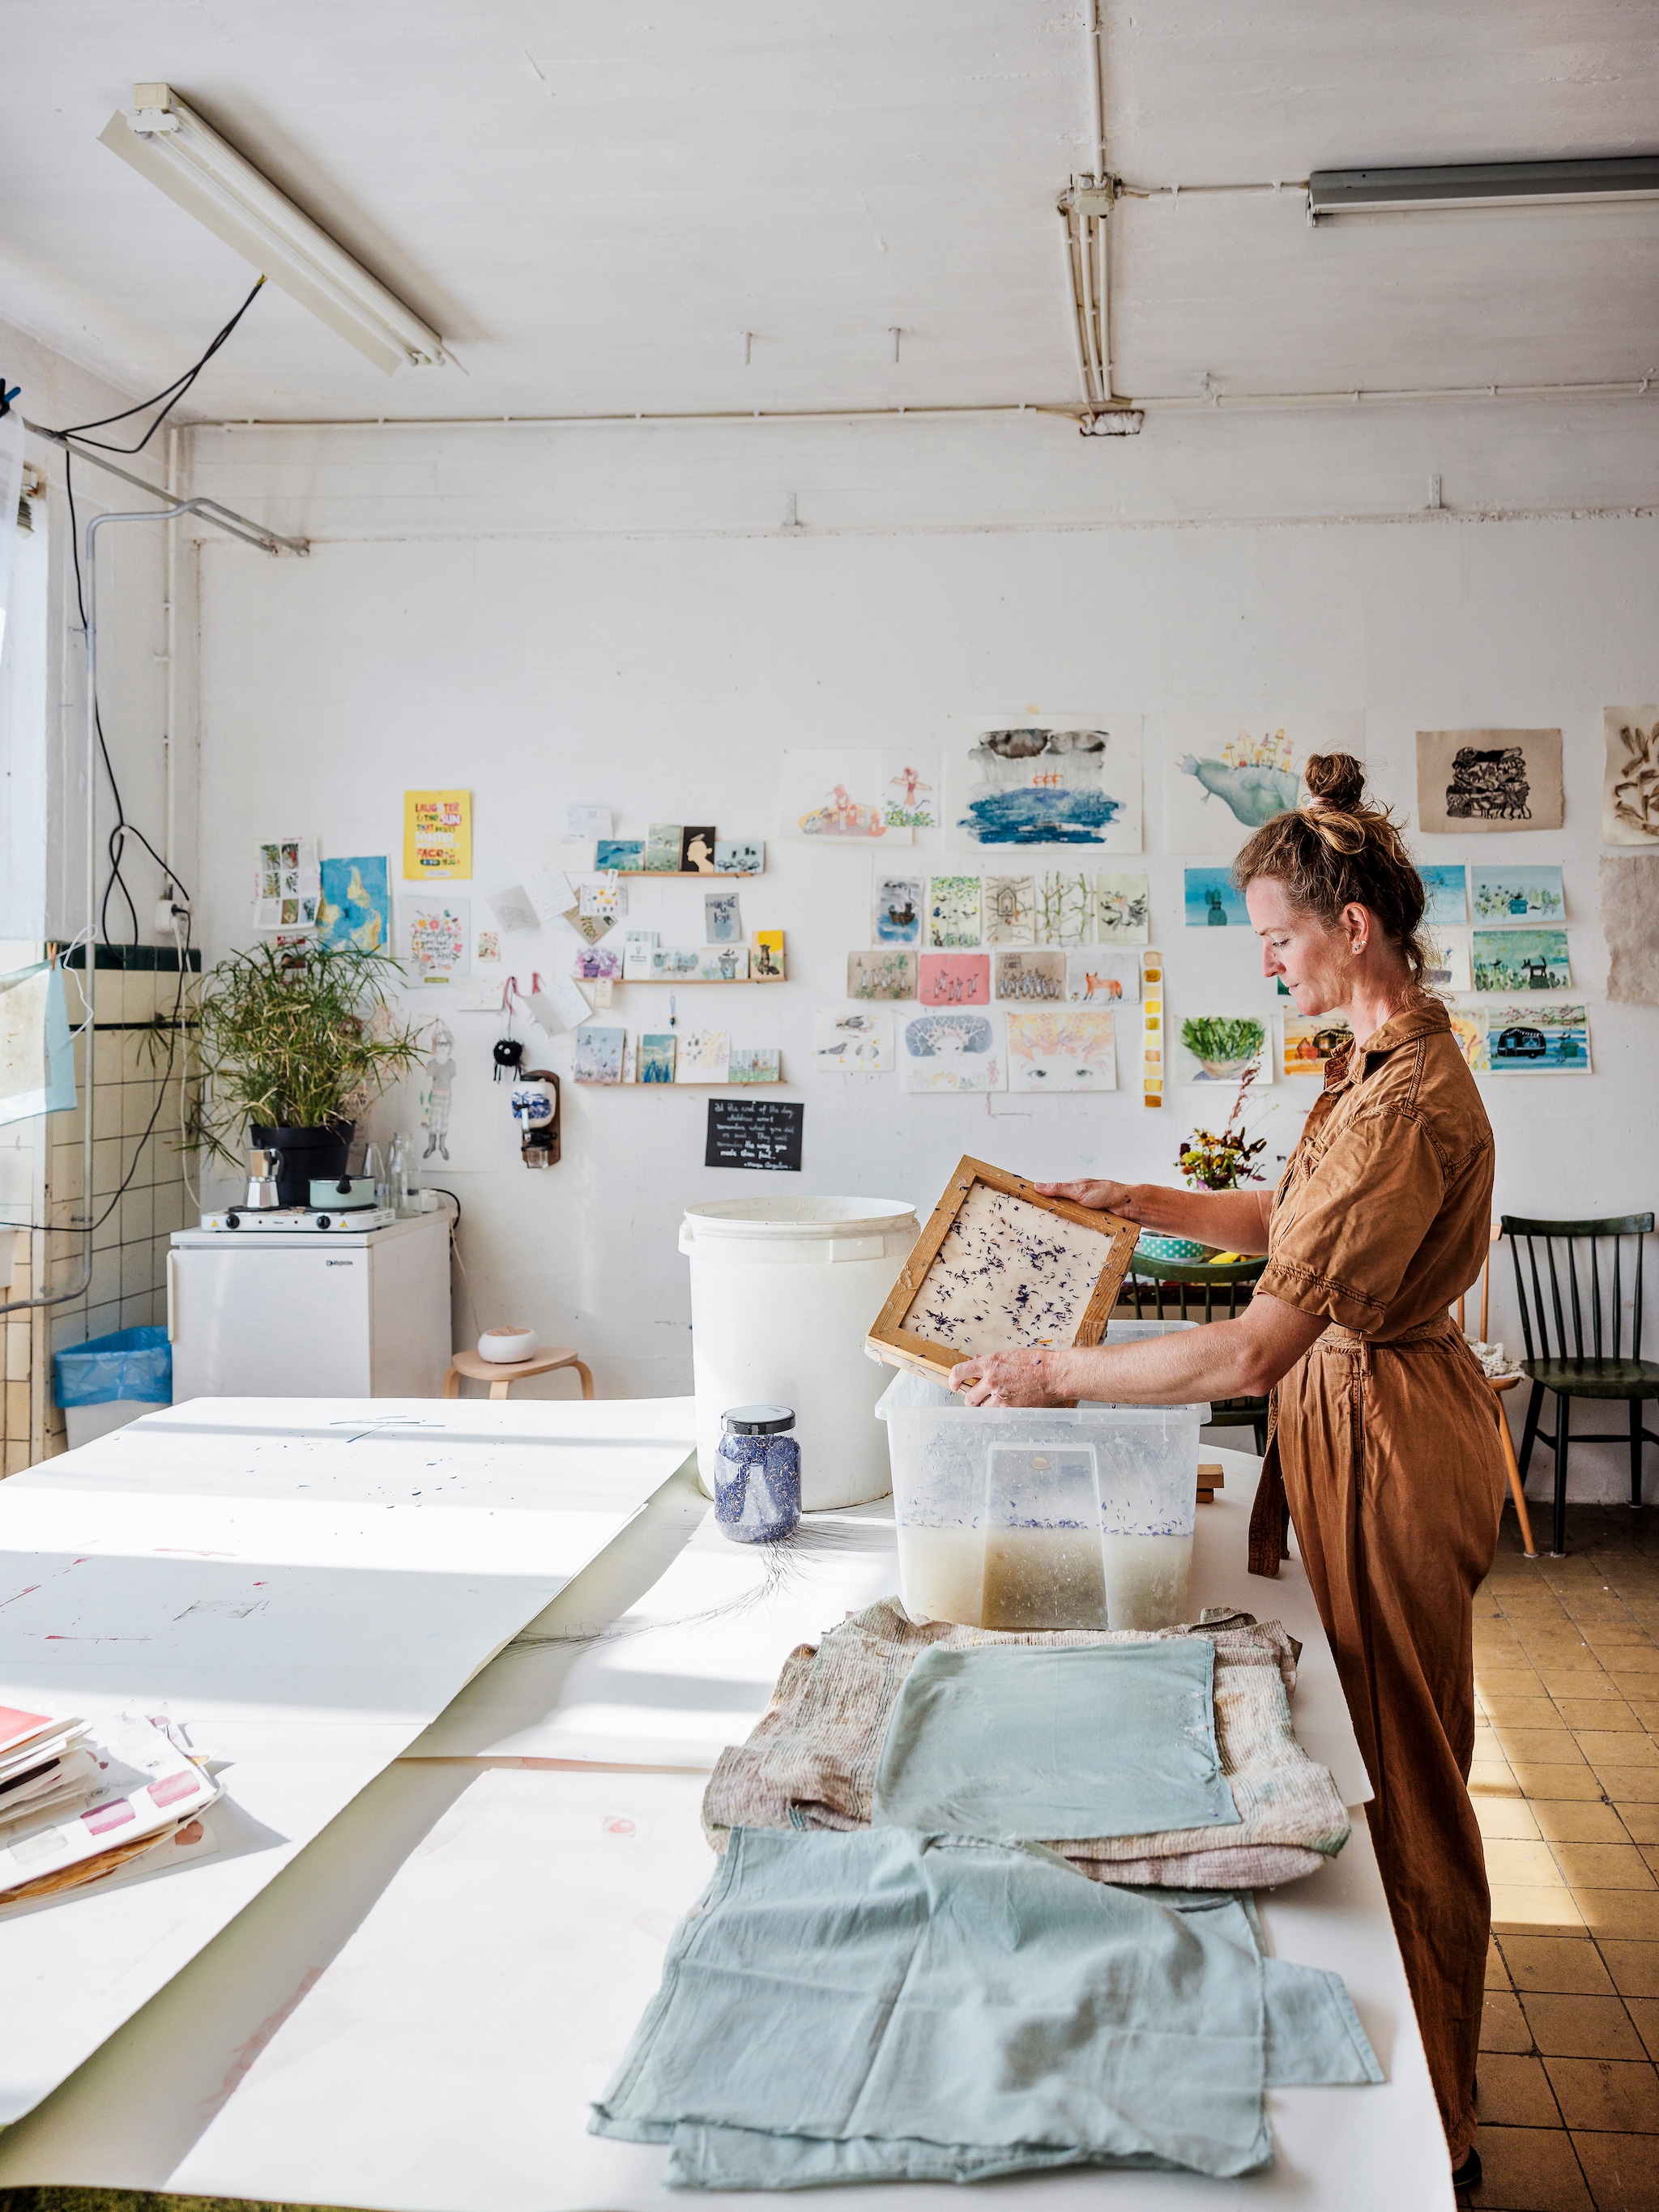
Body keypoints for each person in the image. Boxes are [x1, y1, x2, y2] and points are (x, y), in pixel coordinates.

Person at [949, 755, 1505, 2190]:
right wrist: (1144, 1202)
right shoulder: (1367, 1062)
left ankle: (1439, 2128)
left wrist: (1052, 1374)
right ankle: (1389, 2076)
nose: (1266, 960)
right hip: (1344, 1409)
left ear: (1356, 928)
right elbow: (1286, 1221)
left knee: (1411, 1770)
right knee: (1363, 1732)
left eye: (1277, 935)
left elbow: (1254, 1353)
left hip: (1388, 1431)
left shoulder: (1406, 1105)